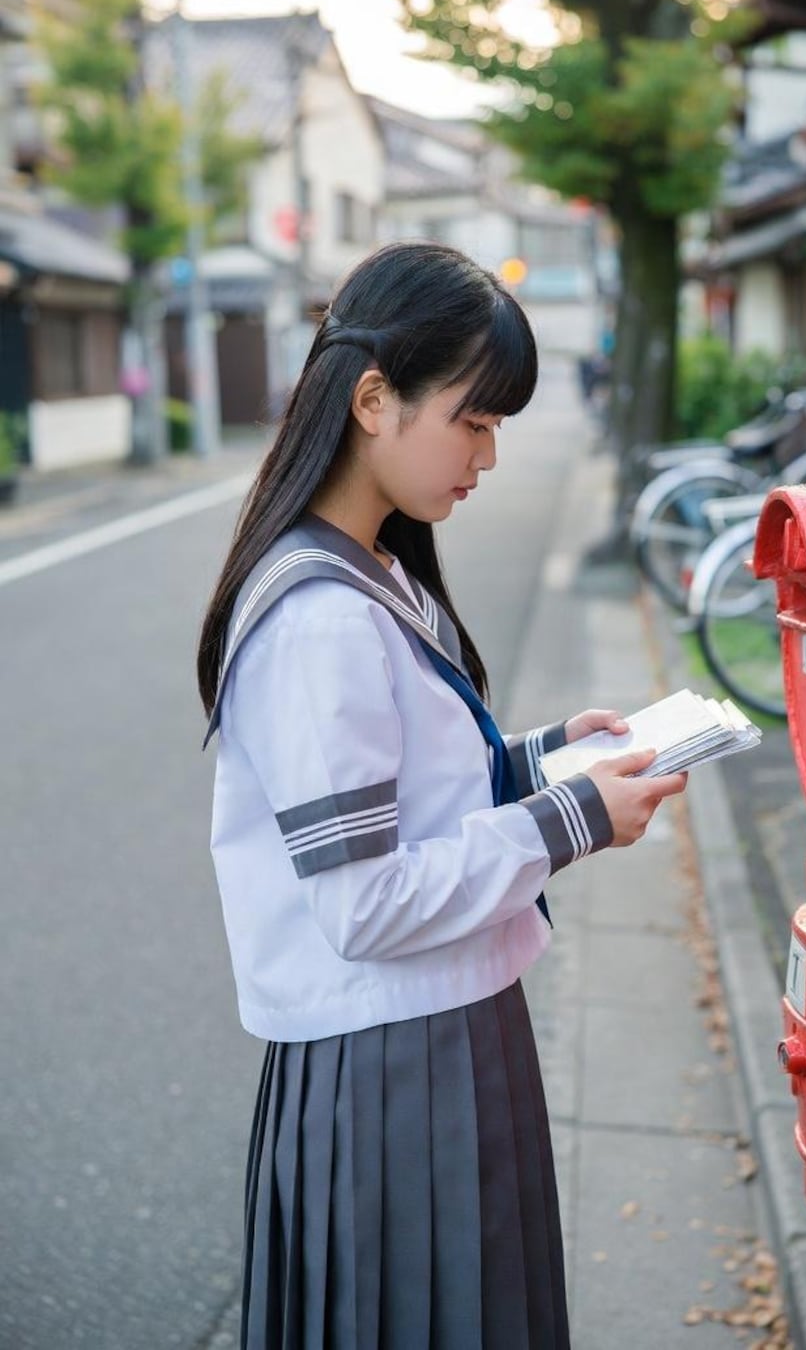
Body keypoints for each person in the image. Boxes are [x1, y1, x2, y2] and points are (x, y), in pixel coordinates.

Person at [197, 241, 686, 1350]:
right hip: (397, 1069)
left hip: (423, 1038)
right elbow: (362, 902)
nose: (489, 452)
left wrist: (543, 757)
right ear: (375, 399)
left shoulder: (370, 564)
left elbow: (404, 792)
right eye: (473, 419)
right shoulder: (320, 613)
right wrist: (568, 820)